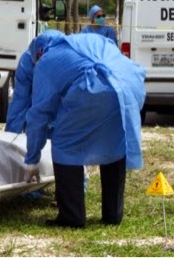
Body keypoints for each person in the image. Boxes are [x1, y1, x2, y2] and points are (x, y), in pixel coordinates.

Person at [23, 31, 145, 228]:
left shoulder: (47, 62)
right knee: (114, 140)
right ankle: (113, 214)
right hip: (129, 85)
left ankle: (72, 217)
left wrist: (32, 159)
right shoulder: (89, 40)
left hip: (93, 88)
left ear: (38, 53)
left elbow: (39, 115)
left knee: (65, 144)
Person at [4, 30, 61, 133]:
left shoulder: (65, 61)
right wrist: (11, 135)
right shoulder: (26, 64)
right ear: (38, 54)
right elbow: (20, 100)